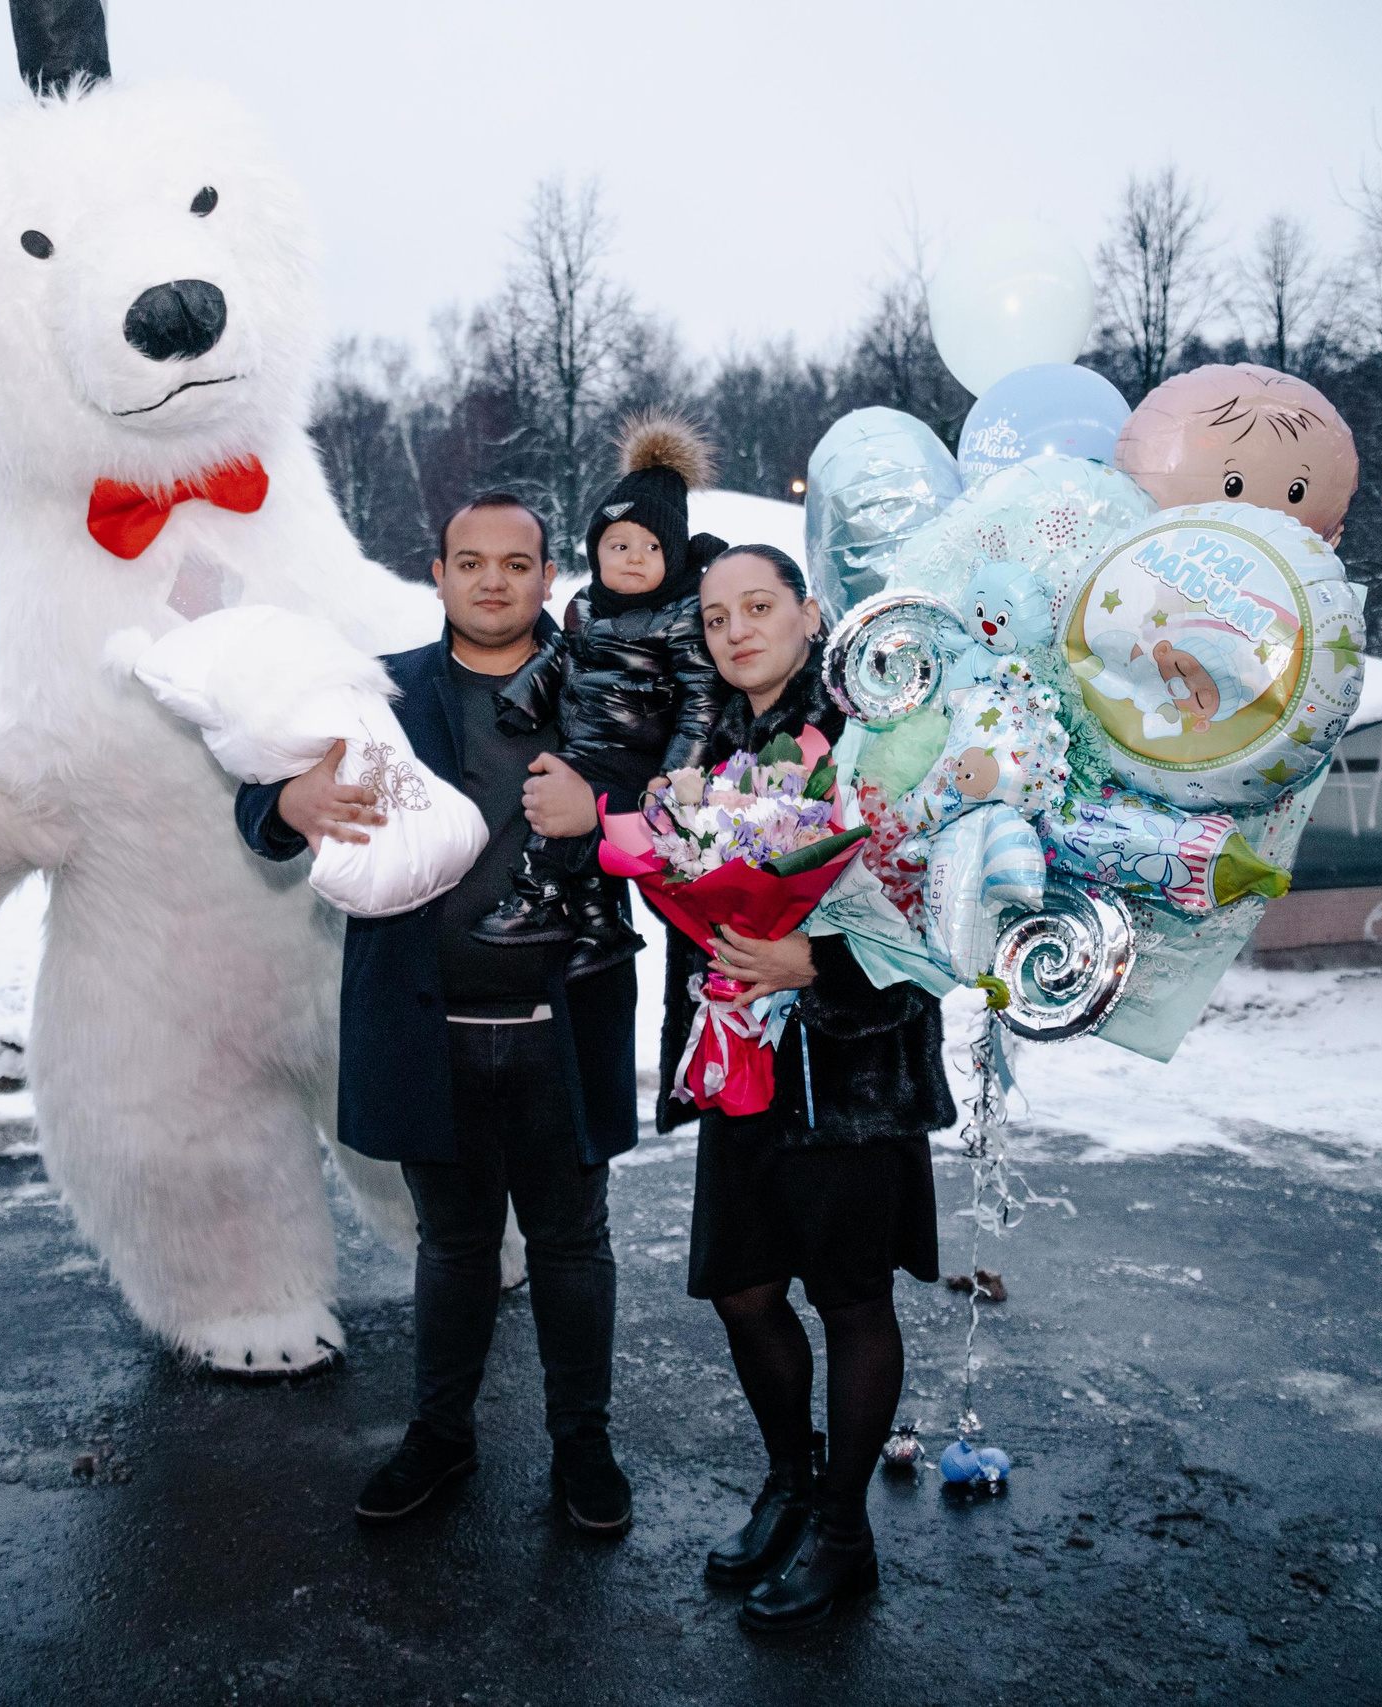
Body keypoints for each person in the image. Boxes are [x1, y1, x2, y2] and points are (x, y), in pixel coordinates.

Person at [233, 494, 640, 1536]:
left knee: (569, 1245)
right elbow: (256, 801)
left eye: (515, 563)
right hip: (428, 1025)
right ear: (440, 573)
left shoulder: (604, 688)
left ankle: (581, 1447)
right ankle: (440, 1436)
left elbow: (686, 806)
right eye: (472, 562)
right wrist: (290, 806)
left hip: (564, 1024)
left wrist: (609, 814)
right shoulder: (383, 693)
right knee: (452, 1247)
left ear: (547, 577)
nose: (494, 581)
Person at [679, 543, 955, 1635]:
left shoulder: (877, 736)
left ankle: (844, 1534)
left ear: (808, 614)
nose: (736, 630)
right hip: (748, 1068)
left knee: (849, 1301)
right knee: (743, 1289)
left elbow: (946, 918)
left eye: (758, 607)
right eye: (714, 618)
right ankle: (790, 1486)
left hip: (852, 1073)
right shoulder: (717, 740)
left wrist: (819, 968)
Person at [474, 414, 726, 979]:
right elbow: (560, 656)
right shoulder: (584, 608)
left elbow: (700, 704)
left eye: (652, 546)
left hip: (637, 752)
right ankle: (598, 921)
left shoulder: (681, 616)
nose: (633, 557)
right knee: (568, 811)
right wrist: (524, 696)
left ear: (675, 557)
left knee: (554, 816)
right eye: (619, 544)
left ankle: (537, 893)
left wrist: (675, 775)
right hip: (588, 740)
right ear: (596, 550)